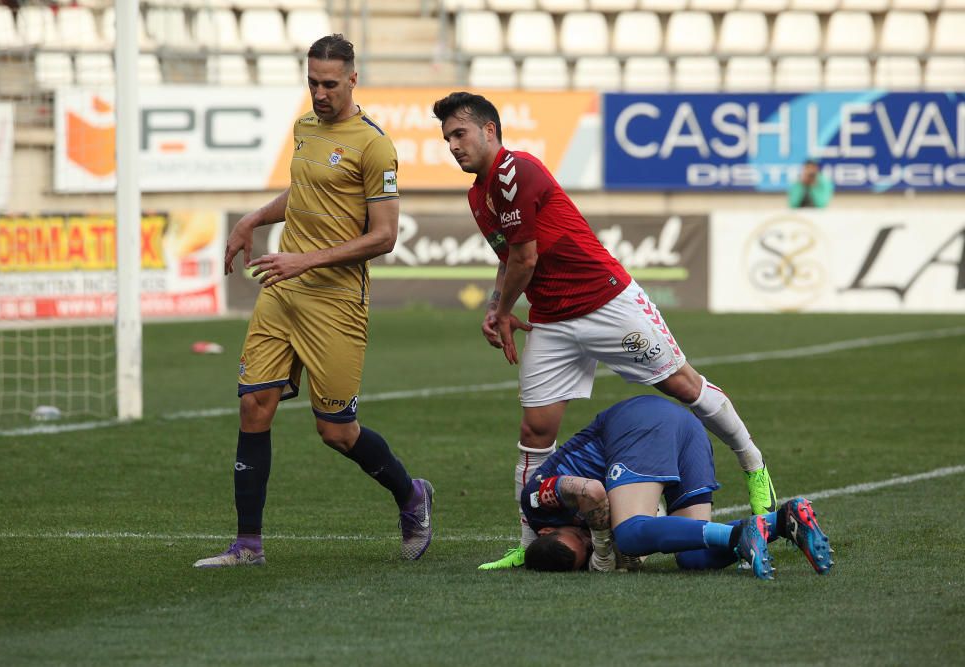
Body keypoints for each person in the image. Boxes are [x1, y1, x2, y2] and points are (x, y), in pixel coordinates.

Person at [432, 92, 776, 570]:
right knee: (535, 430)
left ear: (489, 130)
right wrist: (497, 307)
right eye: (447, 137)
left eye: (459, 133)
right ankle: (530, 539)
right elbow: (510, 258)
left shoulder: (517, 172)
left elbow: (526, 258)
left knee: (682, 384)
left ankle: (755, 466)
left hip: (605, 301)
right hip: (552, 318)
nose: (452, 145)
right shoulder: (478, 194)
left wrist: (506, 306)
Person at [195, 35, 433, 568]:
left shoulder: (374, 145)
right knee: (255, 405)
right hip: (283, 292)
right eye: (312, 83)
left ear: (353, 78)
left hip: (336, 301)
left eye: (329, 84)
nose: (319, 94)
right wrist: (253, 218)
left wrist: (305, 259)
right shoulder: (305, 128)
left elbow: (385, 235)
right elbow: (304, 192)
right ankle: (248, 545)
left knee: (336, 432)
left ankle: (411, 496)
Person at [520, 395, 834, 578]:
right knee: (693, 556)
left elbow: (592, 491)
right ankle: (783, 521)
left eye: (579, 539)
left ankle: (740, 535)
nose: (587, 542)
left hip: (638, 423)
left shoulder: (535, 503)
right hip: (685, 431)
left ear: (547, 532)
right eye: (587, 549)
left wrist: (602, 549)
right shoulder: (561, 532)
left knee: (628, 534)